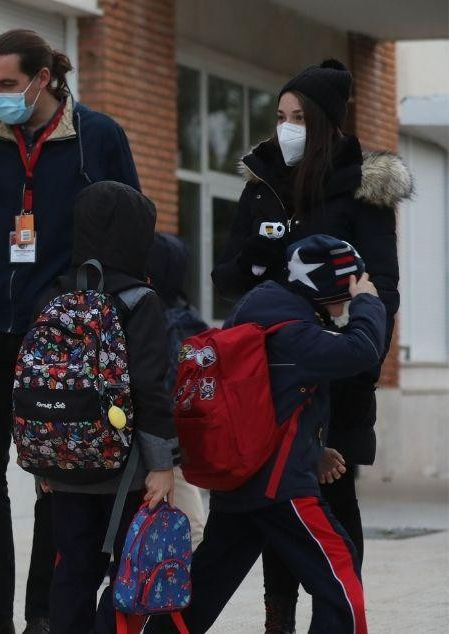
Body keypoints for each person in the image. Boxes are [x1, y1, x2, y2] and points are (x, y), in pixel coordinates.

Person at [0, 28, 140, 634]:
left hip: (63, 334)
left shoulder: (100, 137)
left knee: (56, 475)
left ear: (43, 79)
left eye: (8, 84)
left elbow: (129, 225)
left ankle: (45, 610)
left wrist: (102, 308)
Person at [208, 59, 411, 633]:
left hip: (336, 373)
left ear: (325, 123)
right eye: (279, 116)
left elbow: (381, 284)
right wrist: (259, 254)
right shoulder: (263, 181)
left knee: (332, 506)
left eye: (298, 117)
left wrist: (361, 354)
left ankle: (341, 617)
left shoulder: (363, 185)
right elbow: (228, 276)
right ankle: (279, 620)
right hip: (268, 376)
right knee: (276, 503)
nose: (285, 127)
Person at [147, 234, 386, 634]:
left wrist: (313, 451)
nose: (349, 297)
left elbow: (274, 404)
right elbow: (361, 350)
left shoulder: (261, 314)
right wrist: (369, 302)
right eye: (346, 285)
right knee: (339, 577)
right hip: (281, 488)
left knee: (205, 585)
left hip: (243, 481)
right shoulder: (293, 331)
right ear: (324, 284)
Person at [32, 181, 177, 633]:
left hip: (66, 466)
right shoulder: (140, 300)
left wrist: (44, 459)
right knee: (128, 572)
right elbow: (152, 388)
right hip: (127, 471)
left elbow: (34, 381)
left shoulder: (55, 295)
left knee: (72, 569)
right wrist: (163, 464)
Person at [146, 232, 210, 548]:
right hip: (169, 437)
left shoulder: (156, 317)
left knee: (190, 530)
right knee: (190, 530)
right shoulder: (186, 316)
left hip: (163, 438)